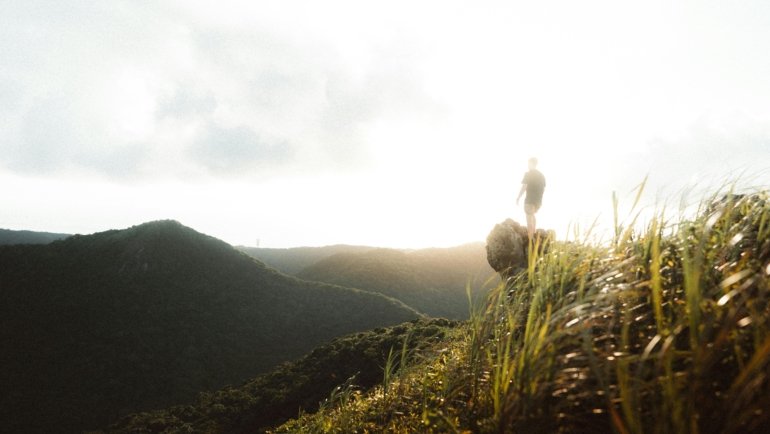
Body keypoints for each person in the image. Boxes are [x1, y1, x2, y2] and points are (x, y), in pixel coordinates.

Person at [516, 157, 546, 239]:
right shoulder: (542, 175)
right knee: (532, 216)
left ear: (531, 163)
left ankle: (531, 238)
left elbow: (524, 186)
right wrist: (539, 200)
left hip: (529, 200)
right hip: (538, 201)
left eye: (528, 163)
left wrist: (518, 197)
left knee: (529, 218)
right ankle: (534, 234)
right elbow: (543, 189)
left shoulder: (528, 174)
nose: (528, 165)